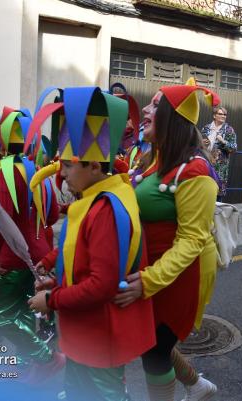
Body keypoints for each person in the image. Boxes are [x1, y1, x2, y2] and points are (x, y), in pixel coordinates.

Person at [27, 86, 156, 401]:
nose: (63, 174)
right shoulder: (96, 197)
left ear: (96, 167)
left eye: (69, 166)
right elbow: (83, 253)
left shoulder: (104, 210)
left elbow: (101, 284)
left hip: (99, 336)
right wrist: (56, 275)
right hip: (87, 334)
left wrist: (53, 299)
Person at [114, 81, 220, 401]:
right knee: (152, 341)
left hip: (180, 274)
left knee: (155, 349)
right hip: (154, 265)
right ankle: (198, 386)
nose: (144, 110)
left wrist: (147, 281)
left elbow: (191, 240)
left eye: (154, 105)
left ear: (171, 118)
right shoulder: (151, 159)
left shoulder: (195, 170)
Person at [0, 106, 64, 381]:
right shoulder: (38, 172)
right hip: (39, 257)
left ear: (0, 139)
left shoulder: (2, 174)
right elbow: (51, 217)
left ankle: (46, 358)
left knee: (1, 318)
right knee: (25, 311)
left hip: (12, 259)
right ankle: (27, 359)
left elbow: (1, 225)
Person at [201, 106, 237, 199]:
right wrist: (202, 144)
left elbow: (234, 148)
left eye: (225, 114)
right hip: (205, 165)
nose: (223, 116)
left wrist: (223, 142)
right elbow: (199, 146)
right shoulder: (206, 128)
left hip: (220, 168)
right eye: (220, 114)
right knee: (204, 191)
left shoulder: (229, 130)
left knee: (217, 194)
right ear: (214, 116)